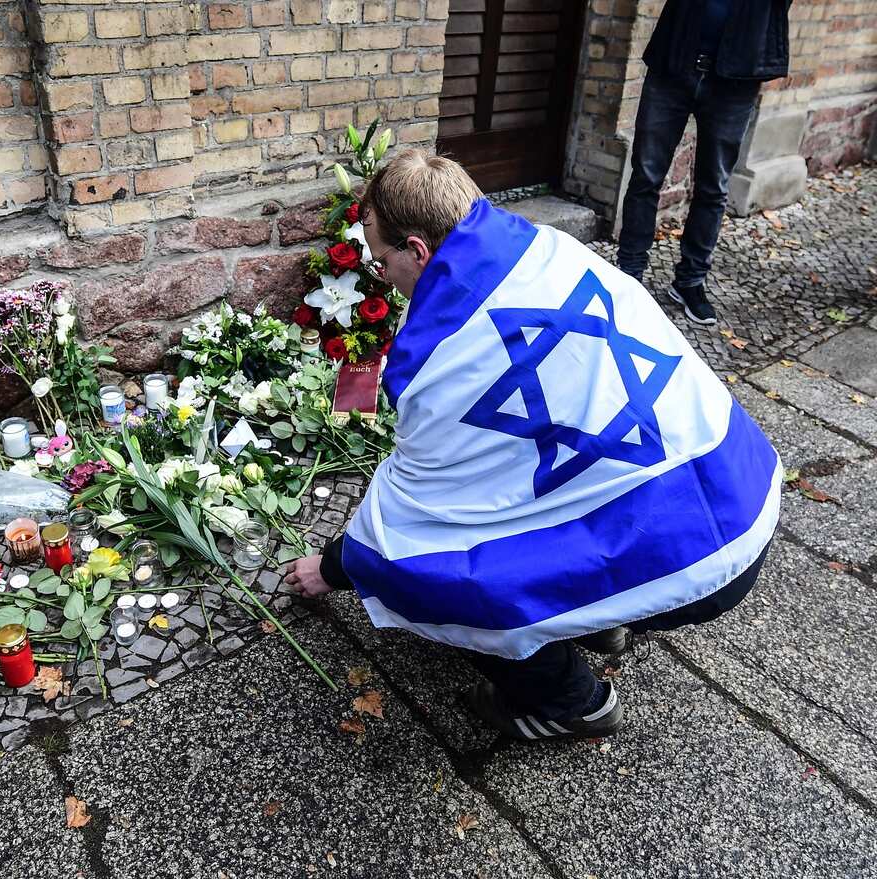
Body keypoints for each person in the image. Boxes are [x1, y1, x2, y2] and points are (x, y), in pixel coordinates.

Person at [285, 150, 781, 741]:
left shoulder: (437, 362)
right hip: (740, 488)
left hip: (687, 552)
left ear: (418, 251)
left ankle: (570, 703)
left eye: (383, 257)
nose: (381, 272)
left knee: (446, 574)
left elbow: (414, 518)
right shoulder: (553, 250)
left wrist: (339, 567)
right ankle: (601, 621)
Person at [616, 0, 792, 325]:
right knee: (646, 175)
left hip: (735, 80)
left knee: (714, 187)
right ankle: (629, 272)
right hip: (674, 63)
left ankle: (690, 282)